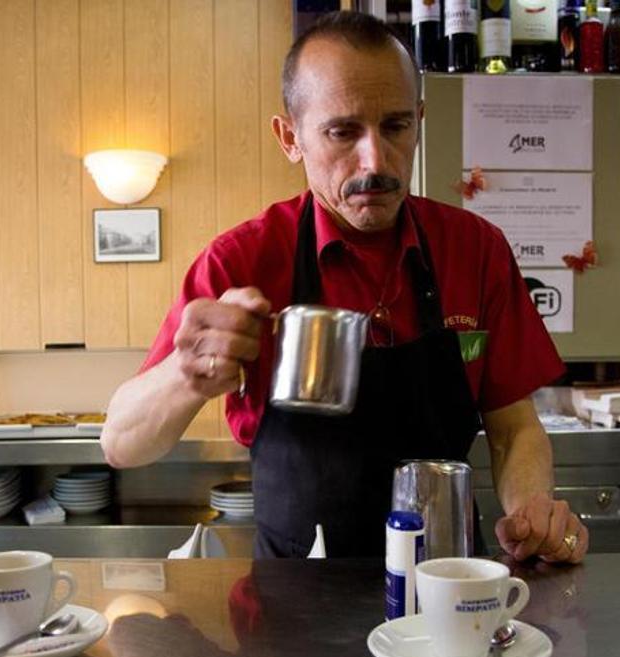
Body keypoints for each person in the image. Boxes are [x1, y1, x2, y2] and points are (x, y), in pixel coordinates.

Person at [103, 11, 589, 563]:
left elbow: (513, 429)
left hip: (445, 591)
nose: (375, 161)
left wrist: (531, 511)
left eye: (396, 126)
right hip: (294, 607)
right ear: (290, 138)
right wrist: (185, 374)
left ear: (419, 122)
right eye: (342, 131)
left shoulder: (474, 250)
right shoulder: (241, 260)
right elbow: (121, 443)